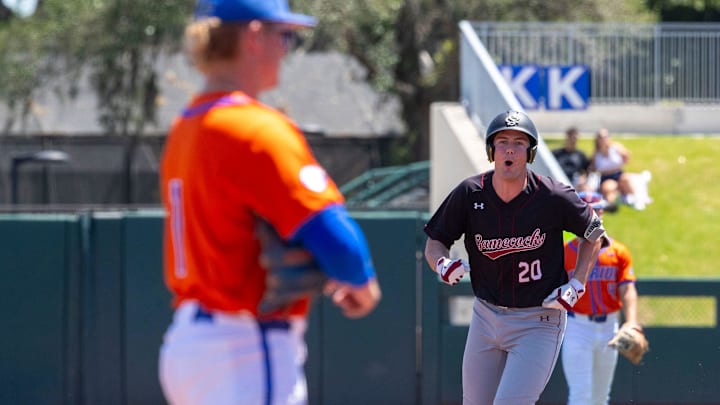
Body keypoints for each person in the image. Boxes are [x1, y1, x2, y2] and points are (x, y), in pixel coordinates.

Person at [158, 1, 382, 404]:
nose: (287, 48)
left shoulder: (185, 127)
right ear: (254, 35)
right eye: (284, 35)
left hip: (190, 346)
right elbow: (337, 238)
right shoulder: (255, 128)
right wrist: (362, 286)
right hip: (244, 346)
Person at [424, 110, 606, 405]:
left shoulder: (553, 195)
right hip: (485, 316)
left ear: (530, 153)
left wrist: (578, 283)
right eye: (502, 141)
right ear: (491, 150)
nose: (510, 149)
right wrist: (442, 264)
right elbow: (435, 242)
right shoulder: (470, 193)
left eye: (519, 142)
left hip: (539, 318)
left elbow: (594, 234)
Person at [561, 191, 640, 405]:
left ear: (602, 211)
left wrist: (631, 322)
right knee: (580, 395)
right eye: (586, 211)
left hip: (609, 327)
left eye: (595, 209)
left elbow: (628, 289)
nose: (592, 215)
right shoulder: (565, 252)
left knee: (600, 397)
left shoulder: (618, 251)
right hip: (577, 327)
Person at [589, 128, 639, 210]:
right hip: (606, 177)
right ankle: (612, 204)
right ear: (597, 140)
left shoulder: (616, 147)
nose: (604, 139)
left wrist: (624, 155)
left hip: (619, 174)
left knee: (626, 179)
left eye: (605, 137)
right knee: (609, 188)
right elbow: (592, 168)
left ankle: (635, 200)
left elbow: (626, 159)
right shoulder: (596, 153)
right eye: (601, 137)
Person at [553, 127, 591, 191]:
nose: (573, 141)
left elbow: (586, 171)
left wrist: (582, 179)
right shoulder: (556, 153)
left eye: (575, 139)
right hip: (558, 181)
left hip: (575, 183)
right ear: (566, 138)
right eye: (571, 138)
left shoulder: (580, 155)